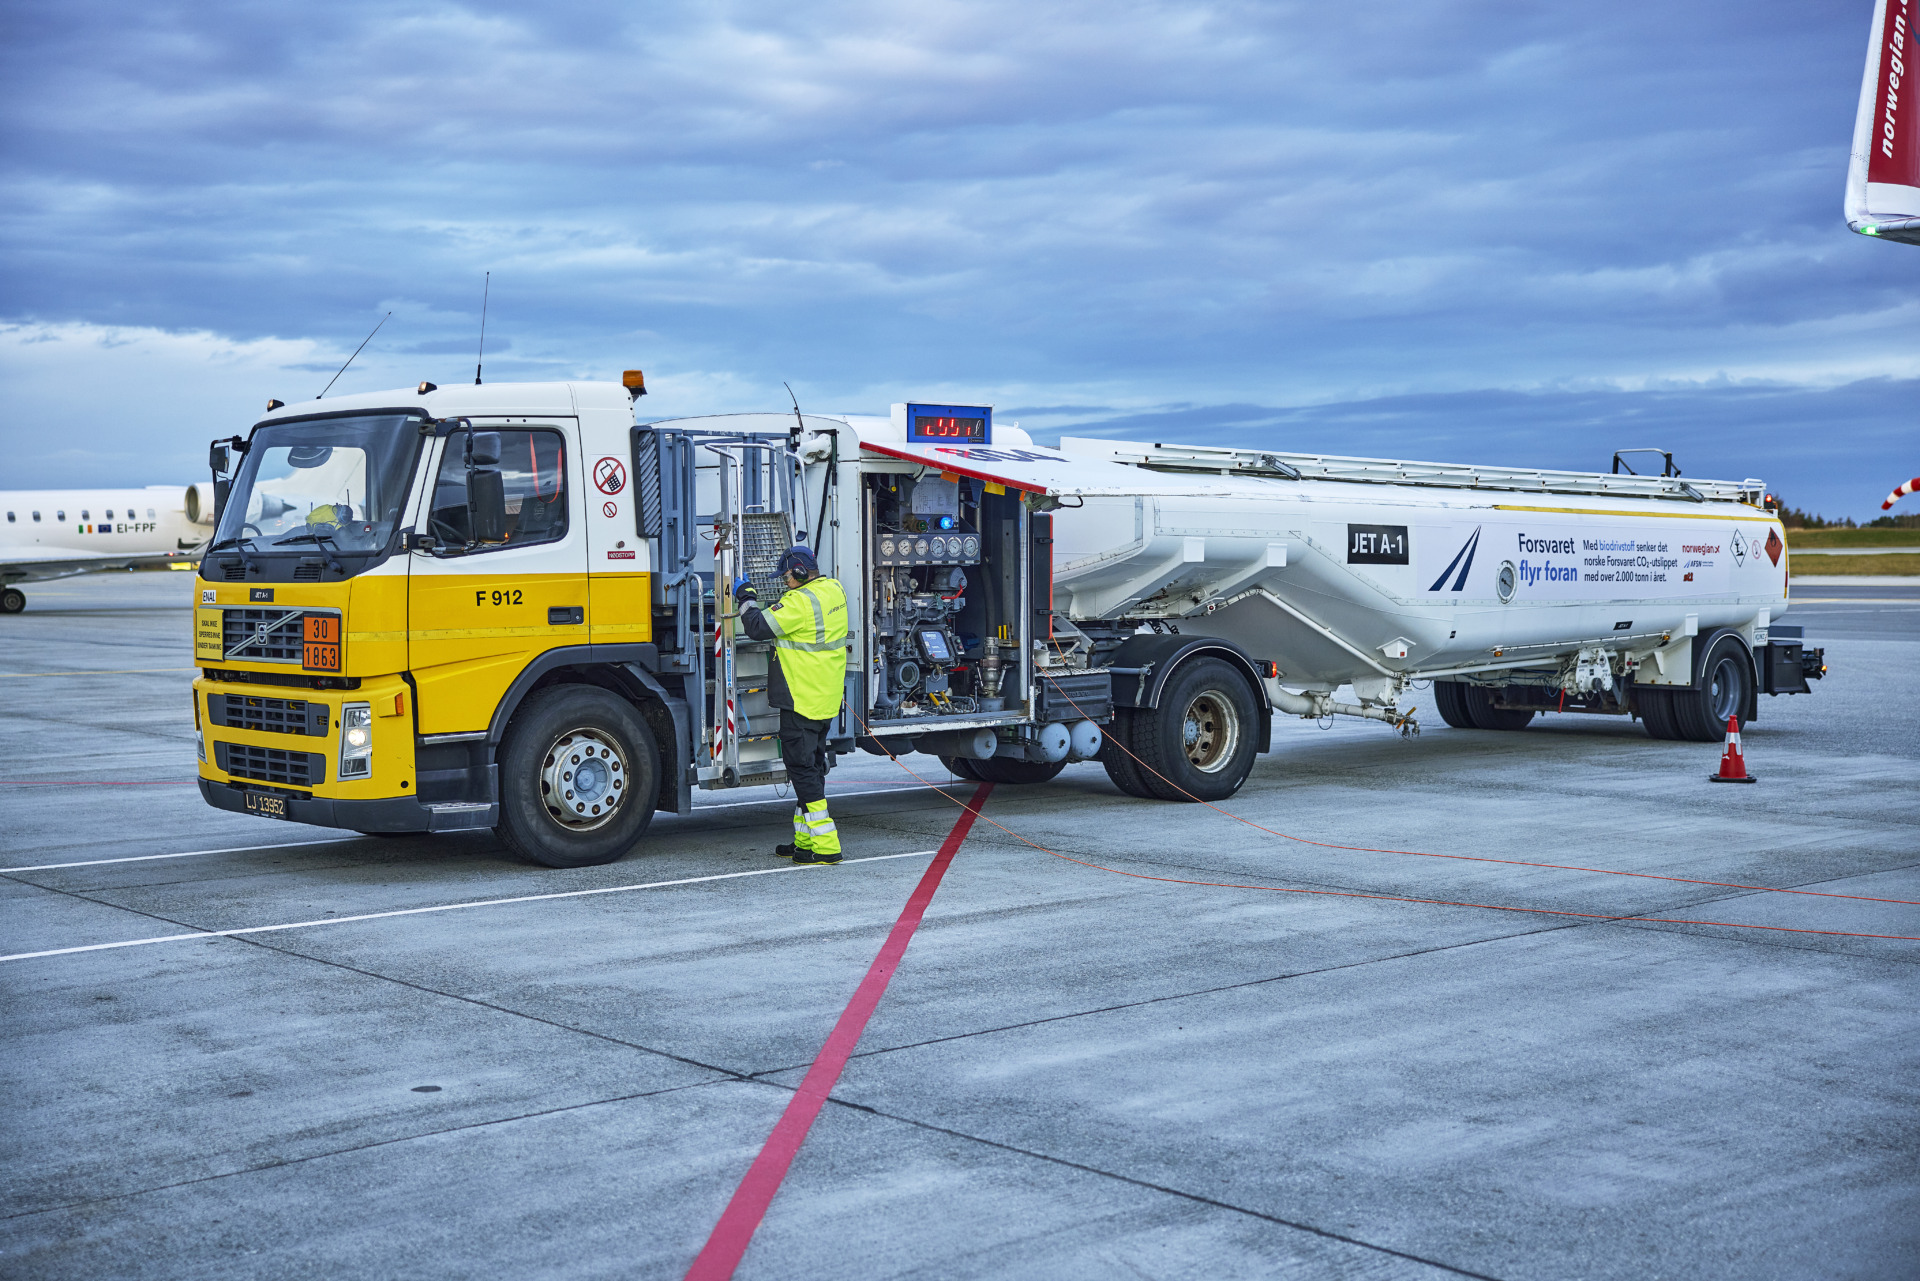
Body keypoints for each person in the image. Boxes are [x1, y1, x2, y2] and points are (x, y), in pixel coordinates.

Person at [734, 545, 849, 864]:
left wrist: (746, 596)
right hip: (824, 696)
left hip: (801, 699)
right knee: (810, 768)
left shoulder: (799, 602)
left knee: (801, 769)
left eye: (786, 576)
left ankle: (826, 845)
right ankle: (805, 841)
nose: (784, 582)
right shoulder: (833, 589)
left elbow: (757, 627)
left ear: (798, 572)